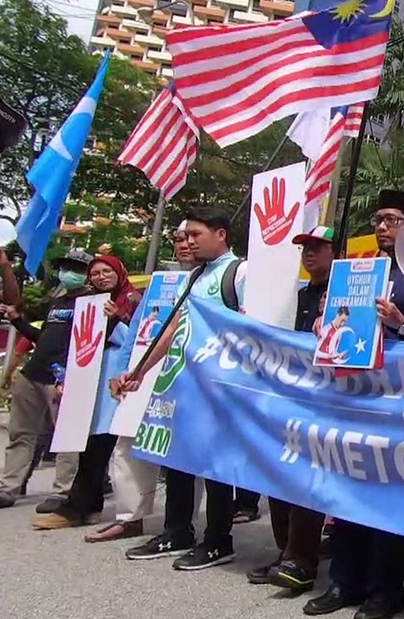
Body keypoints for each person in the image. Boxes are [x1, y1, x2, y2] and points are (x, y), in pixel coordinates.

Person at [304, 188, 404, 619]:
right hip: (353, 397)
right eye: (378, 220)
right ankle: (346, 582)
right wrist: (326, 325)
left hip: (400, 404)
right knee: (348, 493)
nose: (381, 227)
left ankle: (386, 591)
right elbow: (340, 331)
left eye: (392, 220)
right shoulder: (354, 271)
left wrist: (401, 324)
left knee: (390, 501)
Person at [114, 207, 251, 571]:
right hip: (183, 382)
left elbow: (253, 327)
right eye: (186, 235)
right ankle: (177, 530)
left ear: (220, 234)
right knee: (177, 458)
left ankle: (219, 540)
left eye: (195, 234)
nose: (188, 241)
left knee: (215, 465)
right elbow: (174, 326)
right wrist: (141, 371)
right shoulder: (195, 276)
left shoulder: (240, 272)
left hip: (220, 386)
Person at [246, 226, 335, 592]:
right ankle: (285, 551)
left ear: (336, 251)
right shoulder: (298, 295)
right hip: (289, 394)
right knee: (278, 474)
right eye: (304, 249)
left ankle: (302, 559)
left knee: (306, 480)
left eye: (317, 247)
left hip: (326, 397)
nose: (309, 254)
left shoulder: (344, 293)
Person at [33, 255, 142, 532]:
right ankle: (88, 505)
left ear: (120, 272)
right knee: (89, 442)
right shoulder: (88, 304)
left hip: (117, 377)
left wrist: (116, 319)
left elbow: (141, 337)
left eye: (107, 271)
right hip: (89, 376)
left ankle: (79, 506)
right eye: (95, 273)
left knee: (101, 444)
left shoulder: (131, 300)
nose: (101, 277)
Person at [106, 222, 193, 546]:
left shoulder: (216, 279)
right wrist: (124, 369)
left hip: (181, 376)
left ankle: (182, 523)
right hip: (143, 375)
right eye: (179, 237)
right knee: (127, 445)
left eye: (191, 237)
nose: (184, 243)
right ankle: (129, 517)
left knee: (181, 453)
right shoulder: (159, 282)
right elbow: (137, 329)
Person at [0, 249, 96, 510]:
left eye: (75, 268)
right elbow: (41, 338)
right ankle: (9, 487)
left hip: (62, 378)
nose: (68, 273)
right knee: (21, 434)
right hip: (34, 372)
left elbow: (89, 344)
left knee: (66, 438)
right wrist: (18, 321)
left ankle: (63, 491)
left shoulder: (93, 303)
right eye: (65, 267)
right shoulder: (58, 302)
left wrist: (69, 375)